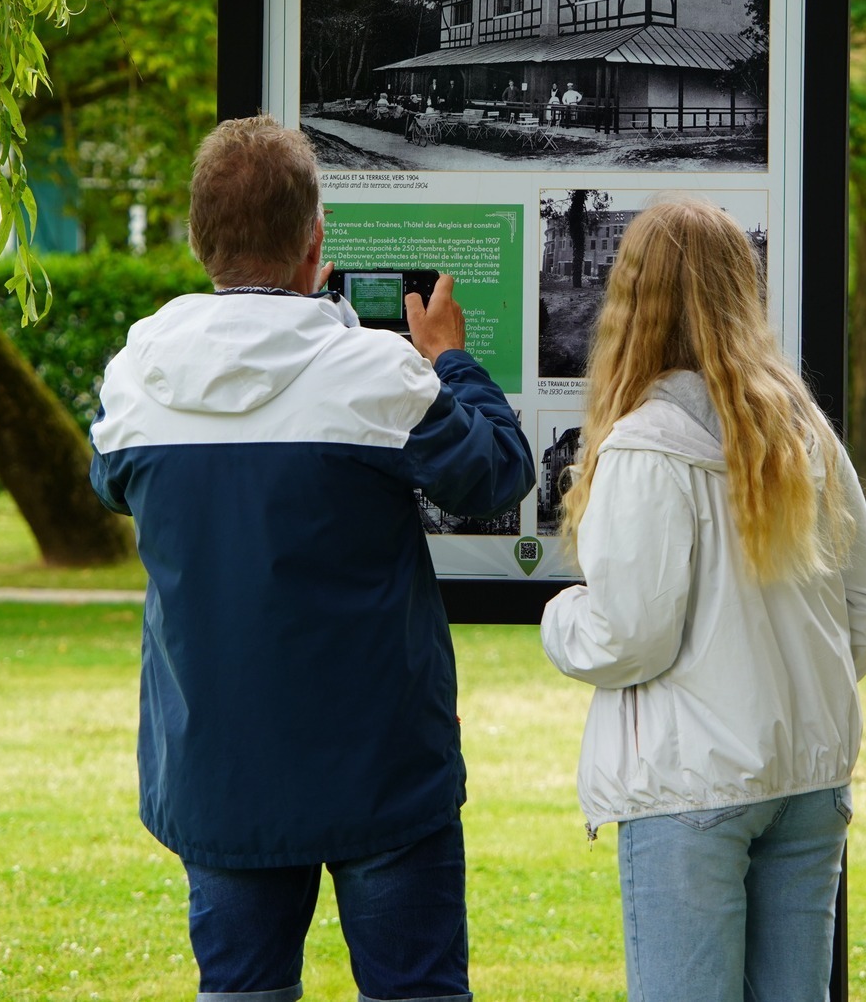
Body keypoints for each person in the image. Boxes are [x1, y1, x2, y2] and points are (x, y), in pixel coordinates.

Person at [90, 116, 535, 1002]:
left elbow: (109, 482)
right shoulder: (375, 372)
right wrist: (449, 360)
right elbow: (497, 473)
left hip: (220, 771)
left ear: (197, 241)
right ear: (315, 243)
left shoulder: (137, 376)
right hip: (381, 768)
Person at [539, 197, 866, 1002]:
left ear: (631, 300)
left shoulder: (643, 445)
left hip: (690, 787)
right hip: (808, 781)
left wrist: (560, 619)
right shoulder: (804, 431)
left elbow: (631, 635)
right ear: (745, 290)